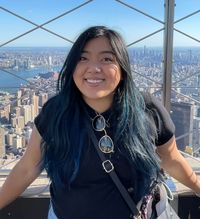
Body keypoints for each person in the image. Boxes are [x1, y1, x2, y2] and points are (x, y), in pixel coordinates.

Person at [0, 26, 200, 219]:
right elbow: (28, 167)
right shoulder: (56, 112)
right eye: (83, 58)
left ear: (122, 68)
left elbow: (172, 159)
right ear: (72, 67)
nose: (94, 68)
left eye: (107, 59)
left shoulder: (146, 109)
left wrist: (197, 186)